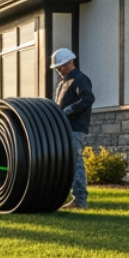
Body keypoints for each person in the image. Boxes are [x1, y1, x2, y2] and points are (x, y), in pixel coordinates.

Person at [51, 47, 93, 210]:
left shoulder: (80, 79)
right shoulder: (62, 83)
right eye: (56, 68)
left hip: (75, 128)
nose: (58, 70)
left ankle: (80, 200)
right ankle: (65, 197)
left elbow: (88, 98)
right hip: (64, 128)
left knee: (76, 163)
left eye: (60, 66)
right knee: (65, 164)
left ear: (69, 63)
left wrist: (69, 110)